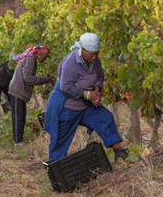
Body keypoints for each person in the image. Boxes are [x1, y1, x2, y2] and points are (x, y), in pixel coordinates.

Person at [44, 33, 129, 161]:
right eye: (91, 54)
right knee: (59, 141)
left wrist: (96, 92)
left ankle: (118, 151)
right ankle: (56, 170)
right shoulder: (70, 63)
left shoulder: (95, 60)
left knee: (105, 117)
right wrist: (89, 95)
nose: (94, 57)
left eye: (97, 53)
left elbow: (99, 76)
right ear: (82, 50)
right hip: (66, 106)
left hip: (83, 105)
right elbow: (66, 86)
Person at [8, 44, 53, 144]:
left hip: (19, 91)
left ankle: (19, 140)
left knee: (20, 116)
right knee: (18, 117)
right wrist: (43, 80)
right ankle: (18, 142)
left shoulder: (31, 59)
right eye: (45, 56)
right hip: (17, 91)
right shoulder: (30, 60)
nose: (45, 59)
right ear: (39, 53)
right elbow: (28, 78)